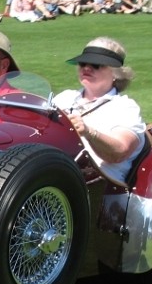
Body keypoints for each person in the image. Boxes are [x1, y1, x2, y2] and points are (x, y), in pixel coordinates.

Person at [53, 37, 146, 187]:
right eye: (83, 63)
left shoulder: (125, 107)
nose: (86, 68)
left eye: (96, 64)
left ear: (116, 73)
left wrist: (89, 132)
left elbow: (119, 152)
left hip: (101, 188)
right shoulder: (64, 98)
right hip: (57, 176)